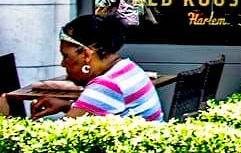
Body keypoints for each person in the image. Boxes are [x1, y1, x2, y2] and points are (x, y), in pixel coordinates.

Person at [30, 15, 163, 121]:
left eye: (66, 56)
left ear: (86, 54)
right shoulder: (128, 67)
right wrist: (67, 106)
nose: (63, 64)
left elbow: (57, 139)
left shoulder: (106, 85)